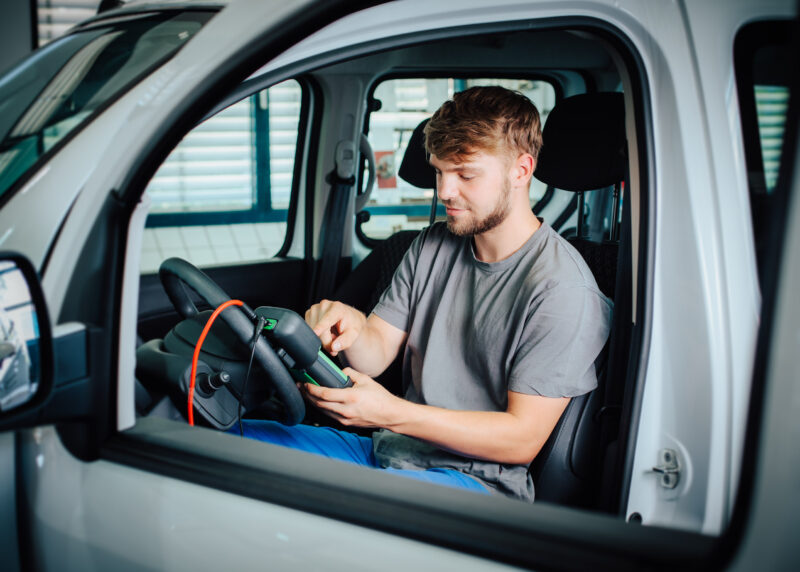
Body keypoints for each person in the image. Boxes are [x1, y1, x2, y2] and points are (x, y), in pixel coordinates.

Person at [237, 86, 612, 502]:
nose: (445, 191)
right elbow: (377, 352)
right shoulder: (432, 244)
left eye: (465, 174)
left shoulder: (562, 290)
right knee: (232, 443)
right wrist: (354, 327)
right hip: (388, 453)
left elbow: (521, 439)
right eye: (439, 171)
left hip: (474, 484)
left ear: (521, 170)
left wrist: (390, 413)